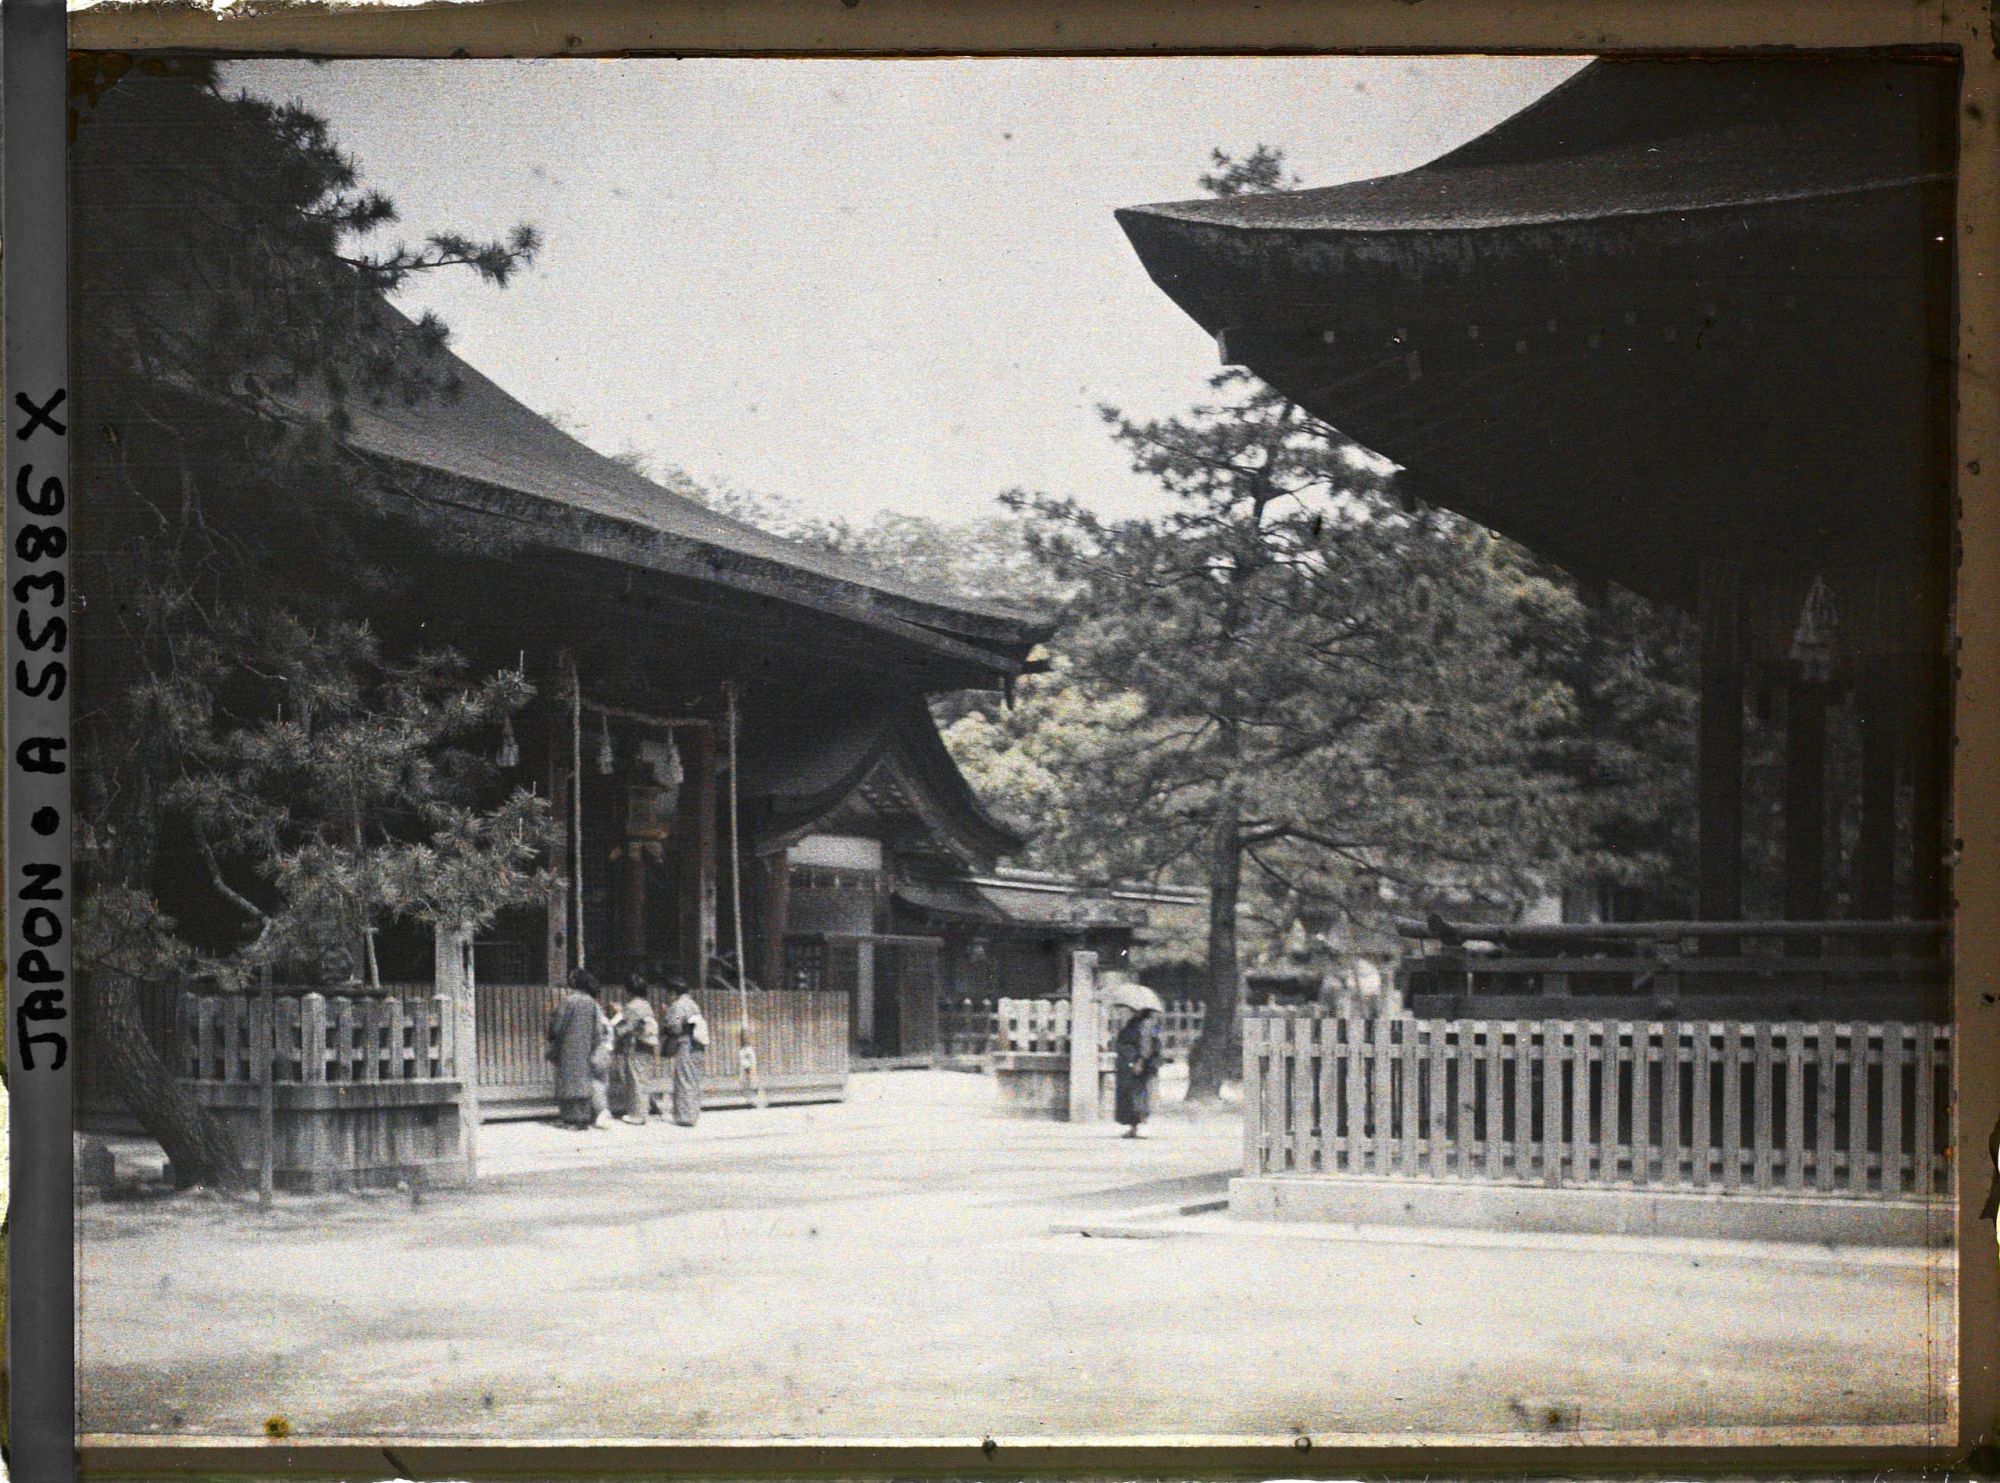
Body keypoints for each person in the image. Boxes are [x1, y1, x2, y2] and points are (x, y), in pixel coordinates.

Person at [547, 967, 613, 1130]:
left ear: (575, 982)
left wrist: (552, 1037)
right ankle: (583, 1118)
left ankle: (570, 1119)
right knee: (583, 1082)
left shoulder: (568, 1001)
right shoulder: (591, 1003)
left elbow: (556, 1025)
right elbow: (598, 1029)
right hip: (586, 1048)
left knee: (567, 1082)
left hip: (567, 1047)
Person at [610, 972, 662, 1125]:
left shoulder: (631, 1007)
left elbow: (623, 1029)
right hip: (647, 1045)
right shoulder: (646, 1005)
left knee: (635, 1079)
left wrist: (618, 1013)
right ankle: (643, 1111)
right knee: (642, 1078)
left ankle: (637, 1115)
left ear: (629, 990)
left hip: (635, 1046)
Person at [661, 978, 708, 1127]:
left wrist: (666, 1016)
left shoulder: (677, 1006)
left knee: (683, 1079)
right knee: (693, 1079)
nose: (668, 996)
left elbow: (675, 1026)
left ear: (674, 992)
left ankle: (684, 1116)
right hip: (697, 1044)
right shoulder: (694, 1005)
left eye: (669, 993)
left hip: (685, 1043)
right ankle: (692, 1114)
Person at [1113, 1004, 1165, 1138]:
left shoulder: (1147, 1024)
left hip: (1138, 1063)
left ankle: (1141, 1125)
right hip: (1128, 1061)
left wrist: (1140, 1062)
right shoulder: (1135, 1022)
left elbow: (1145, 1045)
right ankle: (1133, 1127)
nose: (1132, 1010)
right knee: (1130, 1095)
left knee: (1138, 1094)